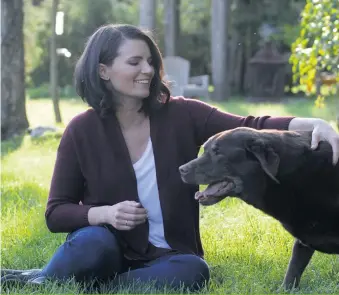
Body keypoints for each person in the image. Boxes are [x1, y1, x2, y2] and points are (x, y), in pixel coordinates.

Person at [2, 24, 339, 292]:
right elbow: (56, 213)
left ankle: (81, 284)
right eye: (134, 62)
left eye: (150, 61)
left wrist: (312, 124)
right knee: (93, 242)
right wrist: (105, 213)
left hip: (168, 258)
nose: (147, 70)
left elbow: (248, 128)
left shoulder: (182, 114)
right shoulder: (81, 130)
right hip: (105, 248)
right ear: (103, 71)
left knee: (194, 271)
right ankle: (45, 279)